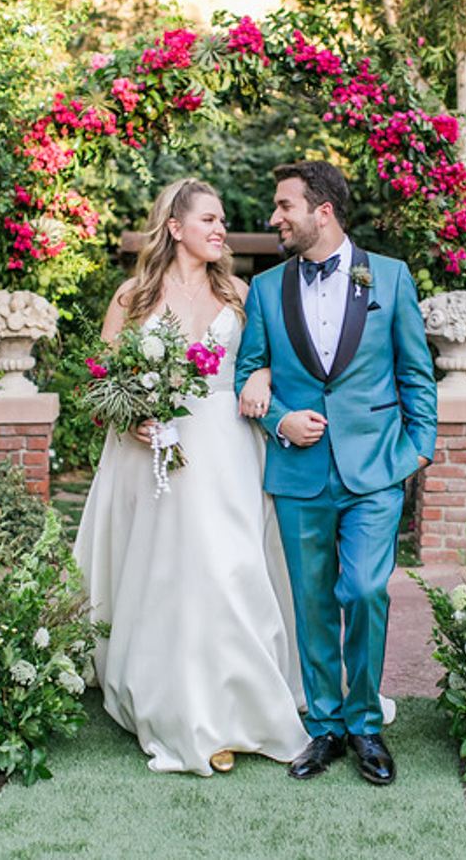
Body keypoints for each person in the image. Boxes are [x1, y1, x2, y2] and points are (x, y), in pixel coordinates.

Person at [74, 177, 309, 776]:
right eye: (207, 219)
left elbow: (273, 365)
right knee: (176, 576)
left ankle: (242, 704)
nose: (219, 229)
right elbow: (100, 385)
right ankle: (186, 709)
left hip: (230, 448)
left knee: (231, 569)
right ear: (174, 227)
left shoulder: (241, 292)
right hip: (157, 454)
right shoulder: (134, 297)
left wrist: (259, 380)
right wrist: (133, 424)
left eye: (222, 220)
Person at [235, 160, 437, 785]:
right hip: (300, 473)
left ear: (322, 211)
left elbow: (415, 374)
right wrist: (279, 423)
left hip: (376, 469)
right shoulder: (266, 289)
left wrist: (418, 451)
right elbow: (247, 376)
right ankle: (324, 727)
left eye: (284, 206)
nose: (275, 218)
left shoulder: (392, 278)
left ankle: (365, 723)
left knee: (367, 591)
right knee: (314, 602)